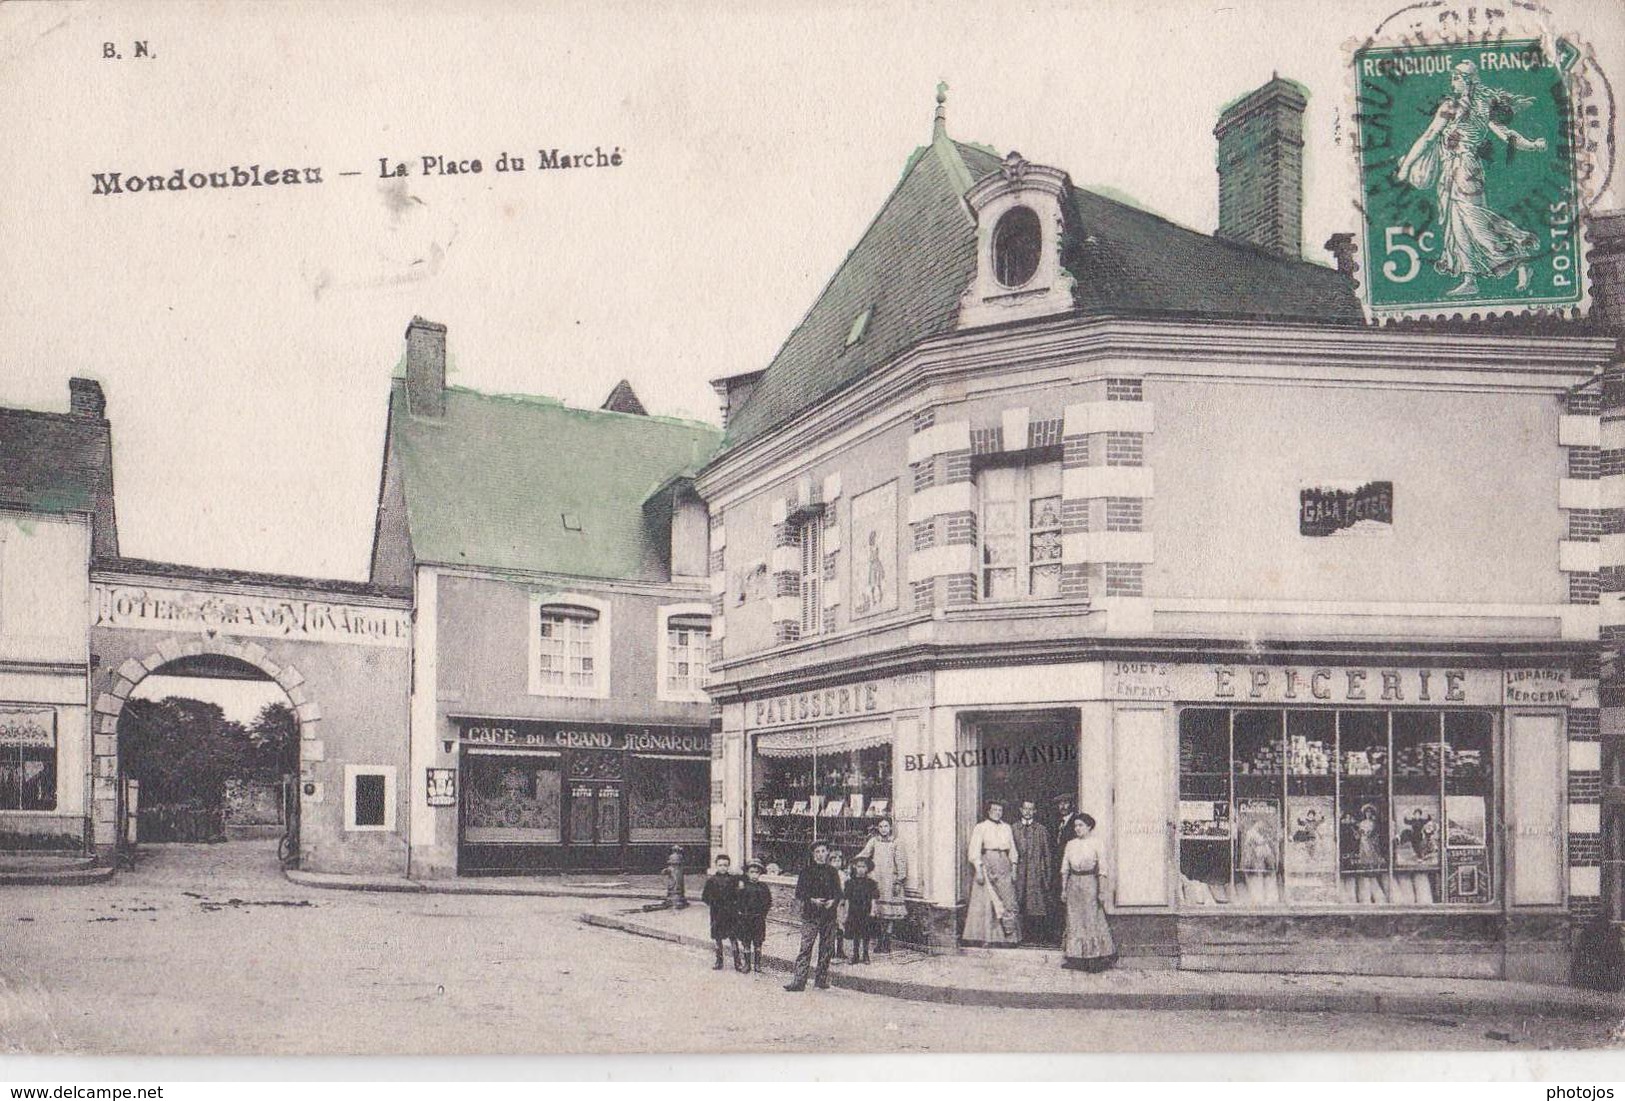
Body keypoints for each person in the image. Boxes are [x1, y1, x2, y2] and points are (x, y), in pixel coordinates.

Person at [1395, 59, 1547, 297]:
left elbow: (1428, 136)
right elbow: (1506, 134)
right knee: (1459, 226)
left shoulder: (1451, 106)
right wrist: (1533, 145)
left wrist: (1405, 167)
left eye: (1455, 77)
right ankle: (1471, 279)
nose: (1452, 82)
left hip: (1461, 169)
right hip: (1465, 170)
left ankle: (1519, 254)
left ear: (1465, 81)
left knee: (1474, 221)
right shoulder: (1483, 105)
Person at [1059, 812, 1115, 972]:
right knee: (1074, 920)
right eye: (1075, 826)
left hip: (1090, 882)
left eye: (1081, 825)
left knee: (1091, 919)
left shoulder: (1097, 843)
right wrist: (1064, 889)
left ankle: (1094, 958)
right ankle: (1075, 958)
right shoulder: (1070, 844)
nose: (1077, 828)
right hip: (1073, 884)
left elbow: (1103, 869)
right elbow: (1065, 868)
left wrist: (1102, 891)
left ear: (1089, 827)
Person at [784, 840, 842, 992]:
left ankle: (821, 979)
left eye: (823, 851)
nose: (820, 855)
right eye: (817, 852)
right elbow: (800, 892)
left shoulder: (832, 872)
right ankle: (799, 981)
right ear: (813, 854)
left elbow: (838, 892)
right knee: (806, 947)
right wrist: (813, 900)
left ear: (827, 853)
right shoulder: (806, 872)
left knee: (827, 948)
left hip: (829, 915)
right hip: (811, 915)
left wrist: (832, 901)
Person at [963, 801, 1020, 946]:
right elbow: (974, 851)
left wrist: (1013, 867)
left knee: (1008, 899)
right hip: (988, 863)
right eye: (994, 810)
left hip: (1004, 863)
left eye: (1000, 810)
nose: (997, 812)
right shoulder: (981, 827)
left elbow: (1012, 848)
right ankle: (988, 938)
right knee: (988, 900)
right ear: (988, 812)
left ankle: (1008, 938)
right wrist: (979, 870)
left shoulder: (1007, 827)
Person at [857, 817, 909, 952]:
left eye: (886, 826)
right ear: (877, 828)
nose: (883, 829)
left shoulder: (896, 842)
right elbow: (864, 854)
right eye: (881, 826)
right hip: (877, 880)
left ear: (890, 827)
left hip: (890, 881)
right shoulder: (874, 841)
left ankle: (887, 941)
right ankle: (880, 940)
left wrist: (899, 881)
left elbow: (901, 862)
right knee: (879, 913)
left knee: (890, 913)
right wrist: (854, 862)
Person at [1011, 799, 1053, 943]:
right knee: (1018, 901)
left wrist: (1047, 876)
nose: (1028, 812)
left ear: (1035, 811)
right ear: (1021, 810)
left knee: (1036, 904)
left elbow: (1047, 855)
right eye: (1025, 809)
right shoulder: (1013, 828)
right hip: (1019, 872)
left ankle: (1036, 938)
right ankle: (1018, 937)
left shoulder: (1041, 830)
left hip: (1036, 873)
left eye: (1031, 809)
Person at [700, 854, 743, 972]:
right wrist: (713, 903)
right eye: (720, 865)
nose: (723, 867)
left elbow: (739, 896)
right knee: (718, 938)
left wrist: (735, 905)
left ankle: (737, 962)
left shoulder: (733, 880)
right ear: (716, 866)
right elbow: (704, 897)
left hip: (731, 914)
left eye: (725, 865)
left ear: (728, 866)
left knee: (733, 937)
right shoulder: (711, 881)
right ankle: (719, 961)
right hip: (717, 913)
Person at [736, 860, 773, 974]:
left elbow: (768, 902)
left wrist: (763, 914)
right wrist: (740, 913)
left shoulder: (763, 887)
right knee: (746, 942)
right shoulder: (743, 887)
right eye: (751, 872)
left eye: (757, 872)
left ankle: (757, 964)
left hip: (758, 919)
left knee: (758, 942)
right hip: (746, 919)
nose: (754, 875)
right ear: (747, 873)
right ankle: (747, 964)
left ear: (760, 874)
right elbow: (738, 901)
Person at [843, 856, 880, 964]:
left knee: (866, 933)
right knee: (855, 933)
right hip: (854, 911)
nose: (861, 869)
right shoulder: (850, 883)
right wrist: (846, 912)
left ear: (867, 868)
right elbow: (847, 899)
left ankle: (865, 954)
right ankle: (855, 955)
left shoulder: (871, 883)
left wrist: (873, 911)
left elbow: (874, 898)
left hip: (866, 911)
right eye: (858, 866)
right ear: (855, 867)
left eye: (863, 867)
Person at [827, 848, 850, 962]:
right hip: (832, 904)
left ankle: (840, 950)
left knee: (841, 926)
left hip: (842, 904)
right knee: (833, 926)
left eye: (839, 860)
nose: (837, 863)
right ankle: (831, 951)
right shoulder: (828, 874)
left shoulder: (843, 874)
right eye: (834, 860)